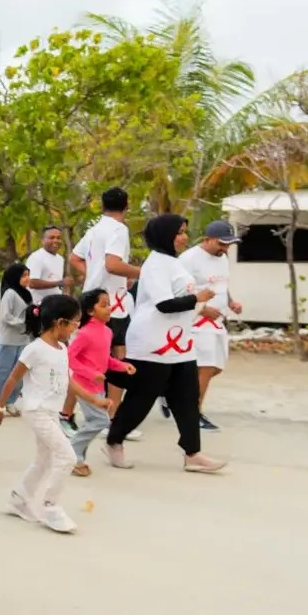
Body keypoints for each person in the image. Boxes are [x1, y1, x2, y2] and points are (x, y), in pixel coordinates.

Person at [104, 214, 227, 473]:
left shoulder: (174, 262)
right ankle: (114, 441)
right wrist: (197, 298)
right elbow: (164, 304)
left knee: (187, 398)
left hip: (180, 343)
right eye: (179, 232)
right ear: (165, 235)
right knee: (141, 398)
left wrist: (198, 301)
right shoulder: (156, 264)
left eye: (184, 231)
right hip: (153, 342)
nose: (184, 237)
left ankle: (192, 453)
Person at [0, 294, 108, 533]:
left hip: (51, 412)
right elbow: (13, 377)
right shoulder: (35, 349)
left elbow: (68, 381)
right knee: (68, 457)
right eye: (75, 323)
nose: (76, 328)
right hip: (37, 411)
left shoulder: (62, 348)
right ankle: (51, 507)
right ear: (59, 322)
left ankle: (19, 499)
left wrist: (94, 398)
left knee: (44, 460)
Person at [66, 187, 139, 432]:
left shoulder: (95, 229)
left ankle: (79, 414)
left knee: (97, 358)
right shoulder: (119, 229)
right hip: (110, 306)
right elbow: (113, 264)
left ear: (101, 205)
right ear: (126, 206)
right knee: (111, 357)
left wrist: (93, 276)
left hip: (95, 300)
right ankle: (102, 416)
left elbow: (74, 258)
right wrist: (143, 273)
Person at [177, 220, 243, 432]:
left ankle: (171, 393)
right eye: (222, 243)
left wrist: (231, 301)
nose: (226, 248)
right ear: (207, 240)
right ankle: (193, 413)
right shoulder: (188, 259)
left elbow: (221, 284)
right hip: (197, 321)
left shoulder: (222, 258)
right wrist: (202, 309)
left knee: (215, 368)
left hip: (218, 321)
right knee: (205, 368)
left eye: (229, 244)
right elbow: (179, 291)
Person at [67, 289, 135, 476]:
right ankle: (70, 452)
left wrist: (122, 366)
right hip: (84, 386)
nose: (109, 308)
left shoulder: (107, 332)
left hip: (97, 386)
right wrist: (90, 373)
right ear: (90, 311)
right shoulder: (84, 333)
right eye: (103, 305)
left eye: (109, 304)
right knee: (100, 420)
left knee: (93, 421)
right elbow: (70, 358)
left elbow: (106, 359)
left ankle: (77, 459)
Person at [0, 263, 32, 416]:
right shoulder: (9, 293)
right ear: (14, 277)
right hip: (7, 340)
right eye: (23, 275)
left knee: (18, 374)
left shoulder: (26, 293)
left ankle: (10, 401)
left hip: (22, 340)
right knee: (0, 373)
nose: (27, 278)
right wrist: (23, 323)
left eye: (28, 274)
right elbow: (5, 317)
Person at [26, 225, 72, 303]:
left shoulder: (60, 259)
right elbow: (32, 283)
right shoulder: (37, 257)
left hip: (54, 305)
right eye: (51, 238)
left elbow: (57, 282)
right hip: (37, 305)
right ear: (42, 240)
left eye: (58, 238)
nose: (56, 240)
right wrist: (59, 283)